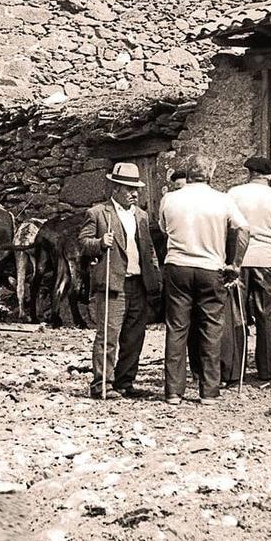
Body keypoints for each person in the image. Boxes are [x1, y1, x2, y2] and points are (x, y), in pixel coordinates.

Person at [159, 154, 249, 406]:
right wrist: (236, 264)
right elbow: (243, 229)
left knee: (176, 327)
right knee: (211, 328)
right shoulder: (223, 200)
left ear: (187, 174)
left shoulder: (170, 198)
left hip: (177, 266)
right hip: (211, 267)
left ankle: (173, 392)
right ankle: (208, 391)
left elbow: (164, 229)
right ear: (211, 173)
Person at [78, 162, 162, 400]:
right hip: (113, 283)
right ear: (115, 188)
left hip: (139, 283)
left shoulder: (142, 216)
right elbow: (83, 243)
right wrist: (99, 242)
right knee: (108, 336)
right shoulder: (97, 213)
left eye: (136, 188)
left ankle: (125, 382)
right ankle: (102, 384)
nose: (134, 193)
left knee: (134, 336)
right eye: (128, 188)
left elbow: (149, 249)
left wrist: (155, 276)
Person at [227, 156, 271, 381]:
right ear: (270, 176)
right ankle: (267, 369)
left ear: (250, 173)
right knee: (266, 315)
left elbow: (227, 227)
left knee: (237, 314)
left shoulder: (233, 194)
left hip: (239, 262)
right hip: (266, 260)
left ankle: (236, 369)